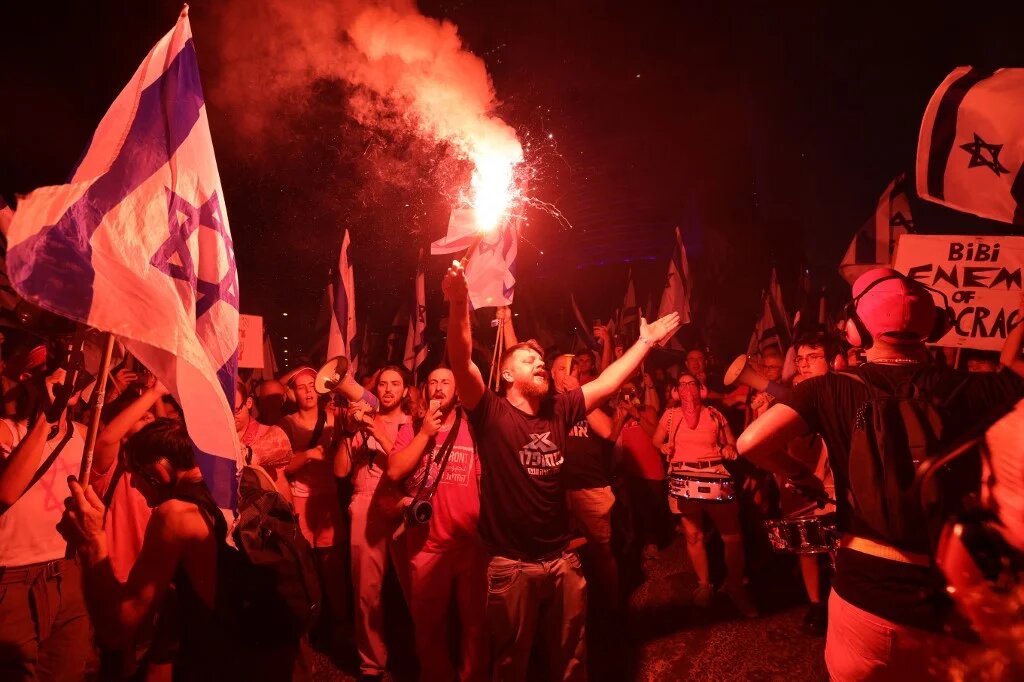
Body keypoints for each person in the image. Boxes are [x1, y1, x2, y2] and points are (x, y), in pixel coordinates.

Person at [738, 267, 1024, 680]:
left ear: (855, 332)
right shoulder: (979, 388)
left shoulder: (829, 388)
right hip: (950, 607)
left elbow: (750, 443)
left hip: (864, 599)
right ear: (937, 326)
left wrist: (800, 473)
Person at [443, 258, 680, 681]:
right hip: (510, 567)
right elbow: (461, 360)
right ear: (505, 372)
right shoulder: (490, 412)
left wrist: (644, 344)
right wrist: (459, 303)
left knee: (572, 659)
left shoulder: (560, 408)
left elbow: (606, 383)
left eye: (540, 358)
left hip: (561, 562)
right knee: (511, 664)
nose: (539, 361)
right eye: (528, 358)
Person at [62, 419, 300, 681]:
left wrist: (92, 541)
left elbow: (118, 628)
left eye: (134, 474)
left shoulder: (176, 515)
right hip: (277, 651)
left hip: (225, 662)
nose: (131, 485)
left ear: (158, 472)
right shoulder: (255, 476)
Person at [387, 367, 486, 682]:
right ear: (425, 390)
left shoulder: (474, 429)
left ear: (457, 391)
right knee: (428, 629)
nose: (439, 388)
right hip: (426, 545)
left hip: (470, 544)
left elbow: (485, 482)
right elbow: (394, 472)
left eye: (446, 382)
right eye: (432, 382)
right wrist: (425, 434)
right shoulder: (412, 428)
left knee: (475, 627)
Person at [0, 364, 90, 682]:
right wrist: (46, 419)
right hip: (13, 579)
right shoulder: (7, 431)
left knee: (65, 672)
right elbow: (7, 493)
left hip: (66, 572)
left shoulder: (82, 434)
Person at [651, 372, 756, 617]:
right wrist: (663, 446)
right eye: (682, 383)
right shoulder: (669, 416)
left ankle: (735, 586)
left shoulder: (715, 414)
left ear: (702, 390)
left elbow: (731, 443)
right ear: (676, 391)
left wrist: (730, 449)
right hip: (683, 481)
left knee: (732, 536)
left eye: (692, 383)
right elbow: (656, 440)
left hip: (714, 476)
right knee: (694, 535)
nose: (687, 387)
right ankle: (703, 585)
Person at [333, 366, 409, 682]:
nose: (388, 389)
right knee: (366, 591)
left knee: (415, 586)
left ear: (406, 391)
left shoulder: (413, 426)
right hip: (366, 503)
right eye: (383, 384)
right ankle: (371, 663)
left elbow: (407, 467)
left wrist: (377, 430)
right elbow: (339, 471)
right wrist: (349, 432)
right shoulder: (358, 423)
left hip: (402, 503)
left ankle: (416, 653)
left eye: (396, 384)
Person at [277, 366, 348, 647]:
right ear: (293, 393)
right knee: (305, 565)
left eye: (311, 385)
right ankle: (311, 623)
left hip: (328, 497)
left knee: (332, 563)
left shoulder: (334, 419)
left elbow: (344, 457)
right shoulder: (287, 424)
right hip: (300, 497)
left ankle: (340, 622)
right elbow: (281, 466)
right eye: (301, 387)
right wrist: (308, 455)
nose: (307, 390)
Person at [551, 354, 619, 615]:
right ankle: (570, 608)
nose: (565, 373)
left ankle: (612, 607)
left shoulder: (590, 398)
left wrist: (578, 394)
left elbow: (607, 430)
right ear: (551, 373)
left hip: (591, 486)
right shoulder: (546, 404)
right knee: (561, 554)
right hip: (557, 490)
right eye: (560, 368)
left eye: (571, 369)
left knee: (601, 550)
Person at [610, 380, 666, 571]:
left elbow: (656, 435)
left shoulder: (648, 410)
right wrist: (621, 417)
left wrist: (636, 415)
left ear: (639, 393)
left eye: (632, 390)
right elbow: (610, 438)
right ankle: (645, 545)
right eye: (624, 391)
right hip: (631, 471)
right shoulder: (619, 414)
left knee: (655, 508)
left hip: (652, 470)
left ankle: (655, 542)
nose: (628, 394)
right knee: (637, 509)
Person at [234, 379, 294, 504]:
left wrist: (291, 517)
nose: (230, 415)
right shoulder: (219, 438)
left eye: (235, 410)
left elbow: (281, 482)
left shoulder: (268, 434)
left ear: (249, 403)